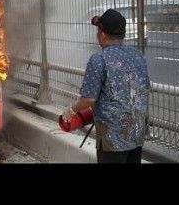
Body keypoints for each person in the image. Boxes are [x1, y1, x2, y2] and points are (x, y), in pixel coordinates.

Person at [61, 9, 151, 164]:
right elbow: (145, 89)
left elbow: (88, 99)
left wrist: (71, 110)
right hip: (136, 133)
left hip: (112, 139)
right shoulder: (138, 56)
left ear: (102, 35)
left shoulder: (99, 59)